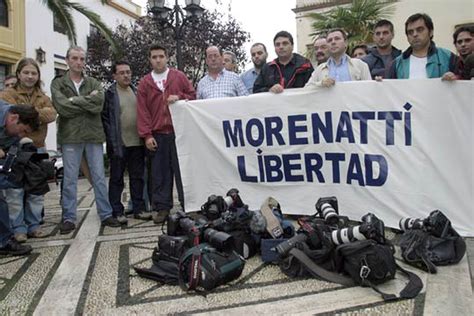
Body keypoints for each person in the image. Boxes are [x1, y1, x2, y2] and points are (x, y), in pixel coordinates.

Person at [51, 46, 121, 234]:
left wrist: (74, 100)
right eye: (75, 58)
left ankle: (106, 214)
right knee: (70, 178)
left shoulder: (94, 83)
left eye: (82, 59)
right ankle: (68, 217)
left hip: (93, 135)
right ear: (67, 60)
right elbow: (62, 107)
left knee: (98, 176)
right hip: (70, 136)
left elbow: (98, 106)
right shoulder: (58, 83)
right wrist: (84, 101)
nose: (79, 62)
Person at [136, 44, 196, 224]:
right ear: (150, 59)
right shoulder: (145, 82)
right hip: (158, 134)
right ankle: (162, 208)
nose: (158, 60)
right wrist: (147, 135)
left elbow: (193, 97)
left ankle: (189, 205)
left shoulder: (178, 76)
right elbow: (142, 111)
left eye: (161, 56)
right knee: (159, 173)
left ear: (167, 57)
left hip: (179, 132)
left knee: (183, 170)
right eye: (154, 57)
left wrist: (180, 98)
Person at [0, 58, 56, 242]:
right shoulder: (7, 94)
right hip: (13, 149)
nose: (30, 76)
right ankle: (18, 228)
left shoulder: (43, 96)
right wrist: (36, 113)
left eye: (34, 73)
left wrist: (31, 112)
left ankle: (34, 225)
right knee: (14, 192)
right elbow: (14, 114)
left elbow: (52, 114)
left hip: (37, 149)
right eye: (26, 72)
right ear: (18, 74)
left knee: (36, 190)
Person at [102, 61, 149, 225]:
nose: (126, 75)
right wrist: (113, 143)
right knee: (116, 179)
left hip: (137, 143)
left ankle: (139, 209)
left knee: (138, 178)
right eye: (121, 73)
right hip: (119, 145)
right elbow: (106, 121)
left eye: (128, 72)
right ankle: (117, 211)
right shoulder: (109, 94)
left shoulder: (136, 91)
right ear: (114, 76)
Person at [0, 103, 39, 256]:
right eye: (23, 130)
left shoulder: (14, 136)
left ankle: (3, 242)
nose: (22, 135)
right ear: (14, 118)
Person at [388, 13, 457, 79]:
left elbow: (464, 84)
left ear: (430, 32)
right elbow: (389, 89)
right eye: (410, 32)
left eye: (420, 30)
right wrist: (380, 83)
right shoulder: (397, 64)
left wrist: (455, 78)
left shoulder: (449, 57)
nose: (415, 34)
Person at [305, 28, 371, 88]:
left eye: (337, 39)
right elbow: (307, 89)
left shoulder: (360, 65)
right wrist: (321, 84)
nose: (333, 42)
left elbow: (369, 88)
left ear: (345, 43)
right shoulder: (319, 70)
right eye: (329, 40)